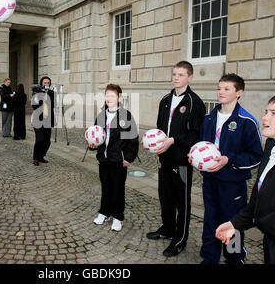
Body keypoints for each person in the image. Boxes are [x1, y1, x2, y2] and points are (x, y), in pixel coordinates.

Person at [216, 89, 275, 264]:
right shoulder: (271, 150)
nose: (265, 117)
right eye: (266, 112)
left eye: (274, 113)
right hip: (272, 242)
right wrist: (235, 224)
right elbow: (258, 202)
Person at [199, 73, 263, 264]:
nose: (221, 92)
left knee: (231, 223)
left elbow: (256, 156)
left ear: (239, 92)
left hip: (232, 183)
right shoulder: (209, 118)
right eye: (219, 88)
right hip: (210, 179)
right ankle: (209, 258)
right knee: (210, 219)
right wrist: (195, 156)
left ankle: (234, 258)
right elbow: (201, 144)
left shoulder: (246, 121)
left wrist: (229, 160)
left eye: (227, 88)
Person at [146, 61, 206, 257]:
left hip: (181, 160)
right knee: (165, 198)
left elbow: (195, 134)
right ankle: (168, 229)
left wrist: (173, 140)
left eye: (180, 75)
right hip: (165, 158)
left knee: (182, 202)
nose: (176, 78)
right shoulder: (165, 99)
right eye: (174, 74)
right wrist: (158, 147)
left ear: (190, 77)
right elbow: (159, 127)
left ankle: (180, 239)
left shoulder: (195, 102)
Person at [88, 84, 139, 232]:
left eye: (112, 95)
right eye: (107, 95)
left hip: (118, 160)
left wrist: (128, 158)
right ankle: (105, 212)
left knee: (117, 188)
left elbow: (133, 140)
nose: (109, 98)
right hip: (104, 159)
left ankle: (118, 216)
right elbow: (95, 135)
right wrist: (93, 145)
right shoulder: (101, 115)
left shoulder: (126, 116)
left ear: (119, 98)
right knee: (106, 187)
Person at [31, 76, 55, 166]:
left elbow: (53, 105)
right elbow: (34, 106)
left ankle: (41, 156)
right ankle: (35, 158)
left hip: (48, 120)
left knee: (47, 141)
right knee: (39, 139)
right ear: (41, 84)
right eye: (45, 83)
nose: (46, 84)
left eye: (48, 83)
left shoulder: (52, 93)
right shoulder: (36, 92)